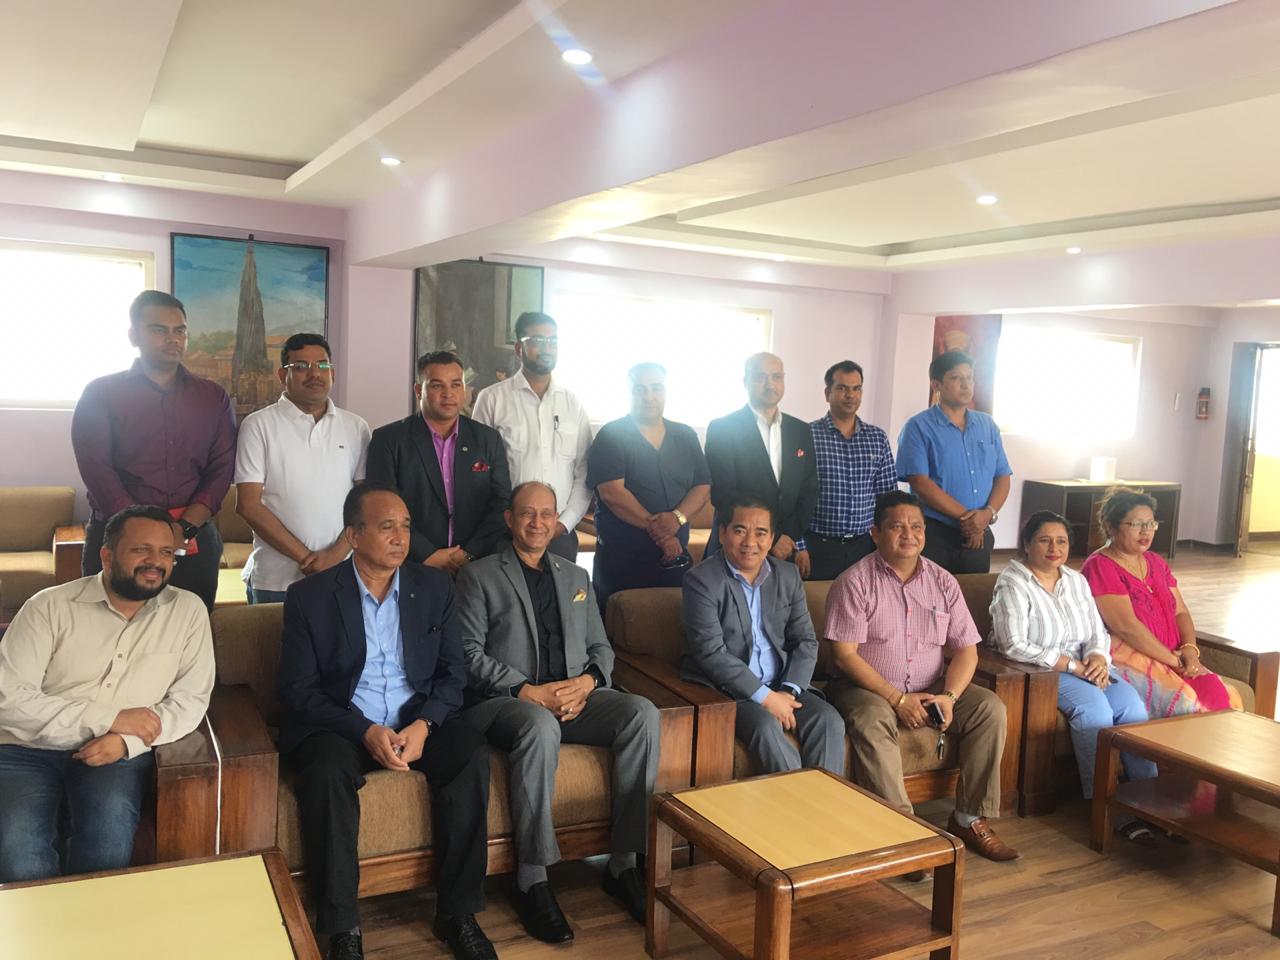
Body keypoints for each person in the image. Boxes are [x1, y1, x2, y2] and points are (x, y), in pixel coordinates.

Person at [276, 483, 496, 960]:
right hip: (342, 724)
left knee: (469, 754)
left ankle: (457, 914)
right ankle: (343, 928)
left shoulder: (434, 587)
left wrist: (425, 725)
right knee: (325, 772)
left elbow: (453, 674)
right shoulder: (310, 597)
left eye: (406, 527)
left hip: (414, 718)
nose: (400, 538)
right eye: (386, 527)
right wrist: (364, 730)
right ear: (354, 535)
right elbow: (298, 691)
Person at [456, 481, 659, 942]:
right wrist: (526, 690)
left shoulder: (575, 577)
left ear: (556, 521)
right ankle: (532, 877)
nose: (537, 522)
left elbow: (601, 648)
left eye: (546, 514)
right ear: (510, 519)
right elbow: (467, 654)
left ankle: (624, 864)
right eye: (527, 513)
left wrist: (587, 683)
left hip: (573, 697)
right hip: (508, 703)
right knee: (539, 724)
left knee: (642, 713)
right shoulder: (478, 575)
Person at [0, 505, 214, 882]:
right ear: (107, 555)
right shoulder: (48, 607)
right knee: (19, 855)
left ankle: (90, 920)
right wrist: (109, 719)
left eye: (166, 552)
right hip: (27, 749)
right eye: (141, 550)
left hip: (116, 752)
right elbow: (9, 699)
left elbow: (190, 700)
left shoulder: (187, 611)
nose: (155, 562)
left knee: (107, 843)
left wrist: (127, 741)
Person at [825, 490, 1019, 865]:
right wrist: (897, 699)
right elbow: (844, 656)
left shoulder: (943, 581)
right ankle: (902, 833)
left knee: (989, 708)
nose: (909, 534)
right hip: (867, 688)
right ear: (875, 533)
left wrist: (949, 697)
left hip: (932, 686)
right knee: (871, 719)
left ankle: (968, 818)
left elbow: (966, 650)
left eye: (916, 526)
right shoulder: (855, 582)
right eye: (897, 527)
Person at [989, 511, 1159, 844]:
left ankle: (1150, 800)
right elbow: (1013, 643)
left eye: (1061, 541)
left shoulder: (1076, 580)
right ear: (1027, 544)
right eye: (1044, 540)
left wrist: (1098, 657)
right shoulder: (1013, 582)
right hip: (1042, 669)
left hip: (1087, 665)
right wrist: (1073, 666)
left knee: (1133, 708)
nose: (1054, 548)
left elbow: (1097, 631)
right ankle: (1105, 804)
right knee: (1095, 711)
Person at [71, 290, 238, 609]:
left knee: (189, 626)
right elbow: (97, 469)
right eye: (159, 330)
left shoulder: (212, 397)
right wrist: (146, 532)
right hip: (118, 534)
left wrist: (183, 528)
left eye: (180, 330)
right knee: (106, 626)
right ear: (133, 335)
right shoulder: (101, 394)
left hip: (191, 537)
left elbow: (221, 470)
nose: (173, 339)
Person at [680, 496, 845, 777]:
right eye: (740, 530)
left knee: (828, 720)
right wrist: (766, 698)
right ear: (722, 533)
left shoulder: (787, 575)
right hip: (730, 692)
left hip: (783, 685)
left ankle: (824, 802)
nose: (750, 542)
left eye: (760, 533)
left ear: (771, 539)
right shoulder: (701, 580)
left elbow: (805, 641)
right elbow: (711, 653)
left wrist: (787, 692)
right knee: (765, 727)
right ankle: (797, 804)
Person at [234, 333, 371, 603]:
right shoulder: (258, 425)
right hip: (276, 580)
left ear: (332, 373)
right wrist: (307, 558)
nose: (314, 374)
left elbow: (365, 502)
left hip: (342, 574)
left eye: (322, 365)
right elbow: (248, 505)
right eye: (300, 366)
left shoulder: (356, 427)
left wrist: (334, 557)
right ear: (282, 375)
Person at [1082, 487, 1241, 715]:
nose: (1145, 531)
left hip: (1175, 655)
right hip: (1133, 656)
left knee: (1217, 693)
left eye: (1151, 524)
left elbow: (1180, 612)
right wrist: (1174, 661)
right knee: (1186, 703)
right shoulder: (1100, 565)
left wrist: (1190, 650)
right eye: (1136, 524)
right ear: (1110, 526)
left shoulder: (1155, 562)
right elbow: (1126, 626)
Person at [367, 350, 511, 575]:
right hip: (412, 564)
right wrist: (427, 554)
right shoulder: (389, 440)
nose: (448, 394)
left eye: (456, 385)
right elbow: (383, 507)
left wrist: (469, 553)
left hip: (476, 566)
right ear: (419, 390)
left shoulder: (487, 439)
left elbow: (501, 503)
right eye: (437, 386)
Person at [586, 362, 711, 614]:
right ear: (629, 392)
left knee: (673, 625)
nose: (649, 396)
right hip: (623, 559)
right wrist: (663, 535)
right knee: (617, 624)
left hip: (674, 558)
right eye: (640, 389)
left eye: (656, 388)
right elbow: (613, 494)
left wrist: (677, 519)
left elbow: (702, 485)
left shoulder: (686, 435)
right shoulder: (611, 435)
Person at [472, 312, 590, 561]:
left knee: (562, 588)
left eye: (553, 341)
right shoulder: (492, 399)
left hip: (558, 535)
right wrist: (502, 521)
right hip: (504, 534)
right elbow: (478, 472)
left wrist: (563, 524)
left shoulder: (572, 403)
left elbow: (584, 473)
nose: (547, 348)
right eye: (537, 340)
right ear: (519, 348)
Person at [896, 350, 1011, 575]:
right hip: (935, 533)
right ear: (936, 384)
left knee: (974, 593)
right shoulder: (918, 427)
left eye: (970, 378)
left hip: (980, 533)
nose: (966, 385)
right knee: (931, 592)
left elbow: (1002, 476)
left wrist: (986, 515)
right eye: (957, 378)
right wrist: (969, 519)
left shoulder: (987, 425)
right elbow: (920, 482)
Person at [704, 352, 818, 575]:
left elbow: (809, 489)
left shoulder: (801, 430)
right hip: (740, 547)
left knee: (781, 599)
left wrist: (788, 535)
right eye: (760, 377)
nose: (770, 385)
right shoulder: (723, 429)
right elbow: (723, 493)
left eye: (776, 377)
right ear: (745, 382)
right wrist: (771, 537)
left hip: (785, 550)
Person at [807, 360, 897, 580]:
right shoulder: (807, 435)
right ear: (827, 393)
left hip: (864, 546)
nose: (850, 395)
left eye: (856, 389)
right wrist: (799, 545)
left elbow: (887, 496)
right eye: (842, 388)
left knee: (863, 600)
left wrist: (887, 542)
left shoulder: (877, 438)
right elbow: (795, 496)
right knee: (819, 600)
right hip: (818, 547)